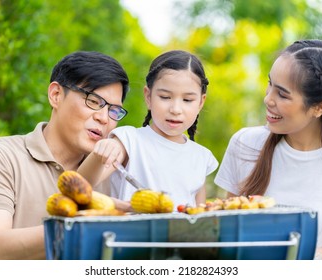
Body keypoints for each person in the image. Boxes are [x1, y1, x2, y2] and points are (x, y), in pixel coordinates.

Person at [0, 51, 130, 259]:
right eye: (94, 101)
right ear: (56, 95)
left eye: (114, 111)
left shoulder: (111, 174)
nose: (104, 118)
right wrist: (90, 225)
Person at [214, 39, 322, 260]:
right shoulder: (245, 144)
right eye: (269, 84)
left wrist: (282, 248)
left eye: (282, 94)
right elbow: (226, 238)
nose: (267, 99)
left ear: (320, 107)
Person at [78, 50, 218, 209]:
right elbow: (80, 187)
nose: (176, 109)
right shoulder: (128, 140)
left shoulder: (201, 157)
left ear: (201, 102)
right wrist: (99, 155)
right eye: (165, 97)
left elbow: (199, 216)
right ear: (148, 97)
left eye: (187, 100)